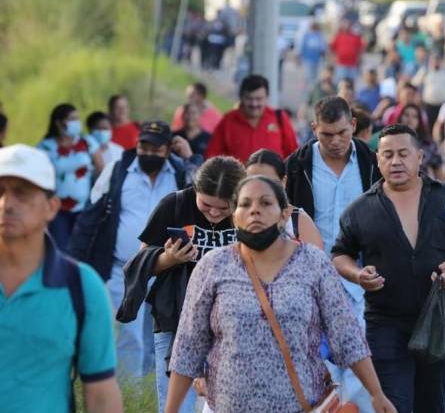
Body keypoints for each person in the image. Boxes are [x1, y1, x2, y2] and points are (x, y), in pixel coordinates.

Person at [165, 175, 396, 413]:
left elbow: (347, 336)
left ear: (284, 214)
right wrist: (170, 410)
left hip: (301, 405)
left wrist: (376, 394)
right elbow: (188, 348)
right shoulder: (212, 266)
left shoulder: (313, 262)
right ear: (234, 216)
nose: (255, 211)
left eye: (265, 203)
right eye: (245, 204)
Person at [332, 124, 445, 413]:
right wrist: (358, 275)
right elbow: (340, 254)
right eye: (387, 155)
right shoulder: (361, 210)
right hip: (385, 323)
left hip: (435, 319)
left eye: (403, 153)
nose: (395, 161)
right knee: (395, 404)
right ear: (378, 160)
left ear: (419, 157)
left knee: (431, 402)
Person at [70, 121, 200, 380]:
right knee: (127, 334)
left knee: (157, 337)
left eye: (157, 148)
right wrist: (75, 262)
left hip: (165, 268)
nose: (149, 152)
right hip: (121, 269)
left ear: (168, 149)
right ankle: (131, 393)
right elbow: (90, 217)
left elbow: (209, 190)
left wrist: (190, 157)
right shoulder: (117, 171)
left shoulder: (179, 172)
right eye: (144, 146)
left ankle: (154, 393)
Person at [0, 144, 123, 412]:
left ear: (52, 207)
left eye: (22, 193)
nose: (7, 203)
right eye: (0, 192)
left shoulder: (81, 286)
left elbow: (100, 392)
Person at [119, 156, 246, 413]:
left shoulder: (248, 210)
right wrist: (169, 258)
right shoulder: (174, 205)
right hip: (176, 319)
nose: (215, 213)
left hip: (234, 322)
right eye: (207, 205)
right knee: (176, 405)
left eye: (225, 208)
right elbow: (140, 262)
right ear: (196, 189)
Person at [284, 96, 381, 411]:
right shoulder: (296, 168)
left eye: (342, 132)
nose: (336, 141)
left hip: (360, 281)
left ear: (353, 125)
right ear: (314, 129)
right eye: (327, 134)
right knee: (316, 368)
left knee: (361, 366)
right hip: (310, 281)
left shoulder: (372, 163)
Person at [38, 104, 100, 251]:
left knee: (82, 249)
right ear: (59, 122)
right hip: (57, 208)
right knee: (60, 248)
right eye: (72, 119)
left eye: (77, 119)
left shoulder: (88, 142)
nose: (76, 122)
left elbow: (101, 169)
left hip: (84, 207)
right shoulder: (45, 147)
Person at [206, 74, 298, 162]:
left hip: (273, 178)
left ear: (267, 98)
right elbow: (212, 156)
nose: (254, 104)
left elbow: (293, 154)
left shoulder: (279, 118)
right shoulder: (228, 121)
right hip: (239, 178)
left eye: (259, 99)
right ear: (241, 98)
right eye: (249, 99)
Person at [245, 149, 323, 249]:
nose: (262, 189)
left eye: (270, 182)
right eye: (254, 182)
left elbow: (317, 262)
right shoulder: (238, 217)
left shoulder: (299, 221)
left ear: (284, 182)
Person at [412, 51, 445, 131]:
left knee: (443, 127)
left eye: (438, 59)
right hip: (429, 105)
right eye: (434, 60)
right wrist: (417, 96)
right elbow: (415, 83)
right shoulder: (425, 71)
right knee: (429, 126)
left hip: (444, 105)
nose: (436, 62)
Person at [398, 104, 442, 179]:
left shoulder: (428, 144)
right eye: (406, 115)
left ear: (419, 121)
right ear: (400, 117)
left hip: (423, 187)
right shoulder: (391, 141)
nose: (410, 119)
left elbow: (438, 171)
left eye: (414, 116)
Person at [329, 19, 364, 83]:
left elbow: (360, 49)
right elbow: (331, 47)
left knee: (351, 82)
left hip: (352, 64)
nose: (347, 27)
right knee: (341, 82)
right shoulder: (338, 36)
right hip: (341, 64)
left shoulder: (355, 36)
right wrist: (332, 58)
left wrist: (360, 60)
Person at [298, 21, 327, 88]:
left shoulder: (320, 35)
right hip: (307, 59)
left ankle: (312, 91)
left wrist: (323, 57)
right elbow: (301, 47)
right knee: (307, 76)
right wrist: (299, 57)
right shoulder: (306, 35)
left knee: (315, 77)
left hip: (317, 59)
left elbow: (322, 48)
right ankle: (307, 91)